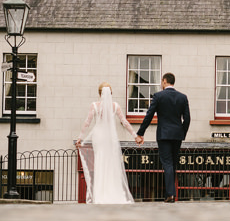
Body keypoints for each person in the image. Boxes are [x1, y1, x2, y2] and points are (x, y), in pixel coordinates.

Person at [75, 82, 144, 204]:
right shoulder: (115, 106)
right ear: (110, 93)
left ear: (99, 93)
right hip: (111, 138)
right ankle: (113, 191)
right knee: (111, 164)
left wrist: (80, 137)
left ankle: (100, 194)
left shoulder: (94, 106)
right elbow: (124, 122)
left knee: (100, 163)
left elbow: (87, 122)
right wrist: (135, 135)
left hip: (99, 138)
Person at [136, 72, 190, 203]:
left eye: (162, 82)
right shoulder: (183, 97)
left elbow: (149, 115)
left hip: (164, 135)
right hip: (177, 135)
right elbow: (187, 119)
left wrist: (140, 133)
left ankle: (171, 194)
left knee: (167, 163)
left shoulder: (158, 96)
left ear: (165, 81)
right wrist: (182, 133)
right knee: (173, 163)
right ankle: (171, 193)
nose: (161, 84)